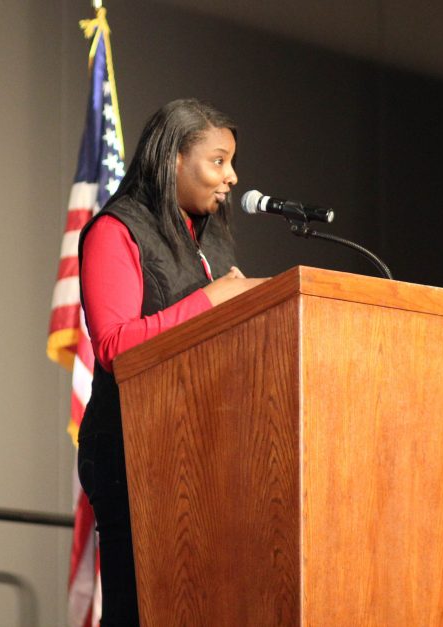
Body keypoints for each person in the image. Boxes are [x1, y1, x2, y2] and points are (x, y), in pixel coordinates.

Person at [76, 98, 266, 626]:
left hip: (212, 456)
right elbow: (115, 347)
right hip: (136, 456)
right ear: (173, 160)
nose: (231, 177)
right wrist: (212, 300)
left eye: (231, 162)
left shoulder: (212, 239)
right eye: (218, 160)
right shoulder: (117, 231)